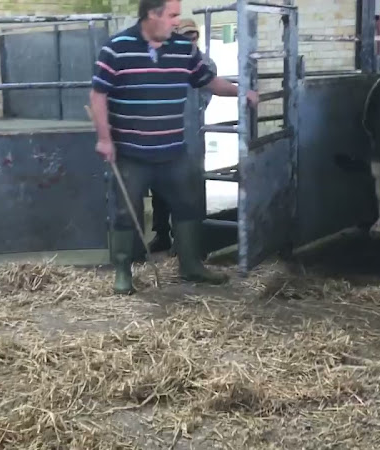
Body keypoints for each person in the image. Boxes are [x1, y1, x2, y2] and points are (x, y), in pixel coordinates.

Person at [90, 0, 259, 295]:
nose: (176, 21)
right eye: (172, 15)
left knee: (189, 204)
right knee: (124, 211)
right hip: (131, 151)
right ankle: (122, 272)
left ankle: (191, 265)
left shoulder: (183, 48)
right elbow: (98, 94)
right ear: (151, 15)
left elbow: (208, 81)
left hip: (172, 149)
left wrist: (241, 92)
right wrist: (104, 139)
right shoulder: (117, 47)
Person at [148, 17, 218, 254]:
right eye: (184, 34)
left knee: (186, 188)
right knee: (159, 187)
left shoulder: (206, 63)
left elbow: (203, 101)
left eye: (192, 35)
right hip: (161, 133)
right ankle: (162, 234)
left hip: (189, 135)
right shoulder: (164, 58)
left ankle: (185, 240)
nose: (189, 39)